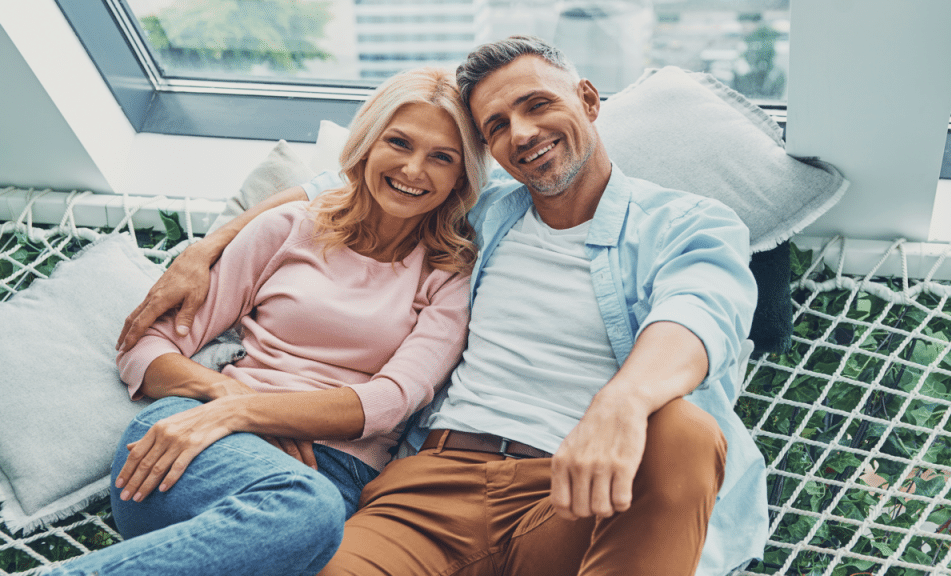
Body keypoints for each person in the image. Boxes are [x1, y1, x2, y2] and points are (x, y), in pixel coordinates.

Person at [119, 36, 770, 576]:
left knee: (682, 432)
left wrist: (623, 401)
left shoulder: (687, 224)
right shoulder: (470, 217)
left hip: (571, 493)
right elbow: (336, 189)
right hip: (428, 490)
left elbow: (696, 313)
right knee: (316, 548)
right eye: (497, 126)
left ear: (589, 100)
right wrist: (206, 247)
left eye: (538, 104)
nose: (523, 133)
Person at [49, 66, 489, 576]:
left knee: (309, 514)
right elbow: (145, 348)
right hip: (188, 445)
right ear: (367, 144)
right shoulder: (289, 228)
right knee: (309, 512)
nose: (414, 169)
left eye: (442, 157)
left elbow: (389, 402)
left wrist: (254, 412)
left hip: (332, 475)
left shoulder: (450, 275)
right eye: (399, 142)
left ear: (463, 176)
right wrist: (226, 399)